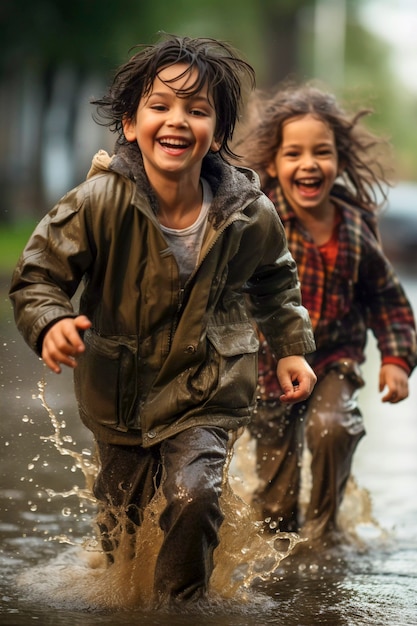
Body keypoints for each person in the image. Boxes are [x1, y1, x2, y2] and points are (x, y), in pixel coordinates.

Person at [9, 36, 317, 604]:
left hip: (208, 382)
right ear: (130, 124)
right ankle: (122, 588)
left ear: (218, 134)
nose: (178, 121)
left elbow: (274, 280)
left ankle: (181, 604)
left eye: (197, 111)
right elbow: (39, 274)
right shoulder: (97, 201)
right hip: (120, 387)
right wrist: (51, 321)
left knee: (194, 494)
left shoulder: (248, 213)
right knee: (120, 516)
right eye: (161, 106)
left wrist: (291, 346)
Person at [235, 82, 417, 544]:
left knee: (332, 428)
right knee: (275, 504)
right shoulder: (259, 218)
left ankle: (325, 533)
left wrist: (397, 361)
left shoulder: (354, 228)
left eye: (322, 152)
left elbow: (389, 300)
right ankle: (280, 550)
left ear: (338, 161)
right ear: (274, 165)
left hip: (335, 357)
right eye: (293, 153)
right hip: (269, 370)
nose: (309, 163)